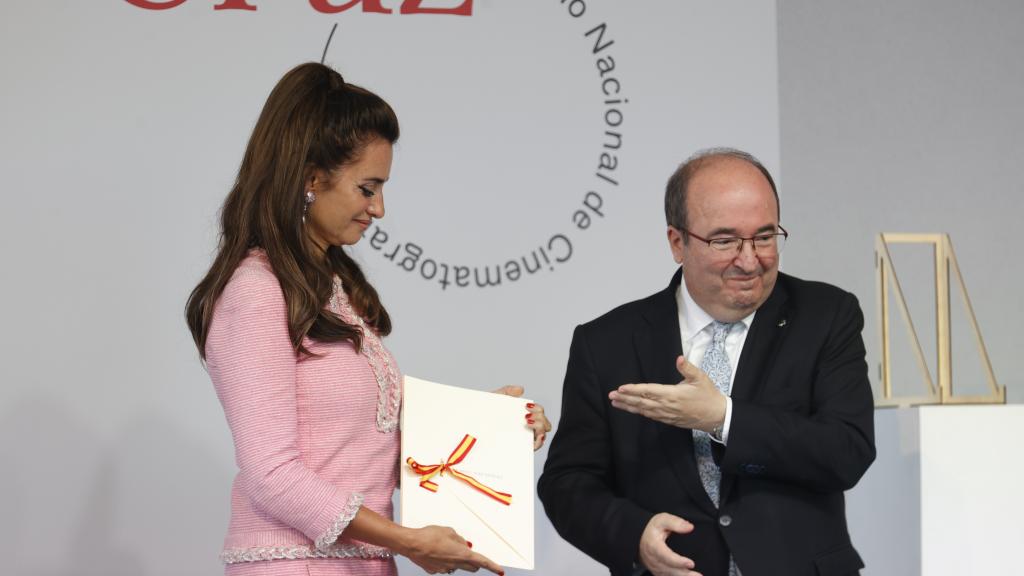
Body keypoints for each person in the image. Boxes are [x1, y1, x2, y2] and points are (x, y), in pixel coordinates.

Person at [185, 62, 550, 576]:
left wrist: (488, 429)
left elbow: (366, 453)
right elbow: (272, 475)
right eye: (367, 187)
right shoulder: (255, 293)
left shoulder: (334, 287)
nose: (379, 208)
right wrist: (406, 540)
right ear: (312, 179)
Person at [537, 148, 875, 576]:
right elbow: (568, 484)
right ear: (677, 242)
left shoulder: (827, 315)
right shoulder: (607, 342)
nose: (750, 259)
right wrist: (635, 536)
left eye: (765, 237)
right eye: (725, 240)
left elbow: (847, 451)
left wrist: (723, 418)